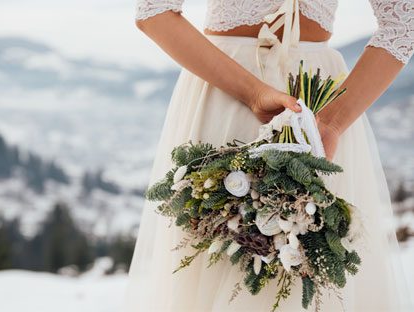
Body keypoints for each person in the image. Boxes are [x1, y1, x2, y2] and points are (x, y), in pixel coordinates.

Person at [125, 0, 414, 310]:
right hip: (226, 88)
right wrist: (253, 93)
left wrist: (333, 122)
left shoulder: (328, 121)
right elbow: (153, 12)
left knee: (316, 269)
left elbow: (403, 21)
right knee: (219, 260)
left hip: (318, 107)